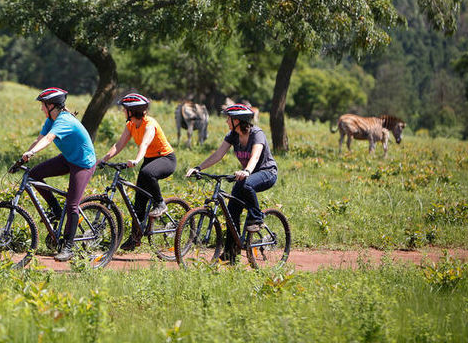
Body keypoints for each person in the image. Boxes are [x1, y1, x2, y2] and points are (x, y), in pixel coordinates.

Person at [185, 103, 277, 256]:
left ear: (238, 121)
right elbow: (218, 154)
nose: (226, 121)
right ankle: (230, 254)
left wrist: (246, 171)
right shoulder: (232, 136)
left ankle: (257, 218)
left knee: (246, 184)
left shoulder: (256, 134)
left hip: (267, 172)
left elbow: (255, 156)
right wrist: (199, 167)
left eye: (229, 118)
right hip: (246, 175)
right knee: (232, 211)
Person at [21, 87, 97, 262]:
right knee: (34, 175)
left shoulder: (64, 121)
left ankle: (69, 247)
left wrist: (32, 154)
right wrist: (24, 155)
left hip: (83, 164)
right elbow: (40, 138)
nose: (41, 108)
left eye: (43, 105)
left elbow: (49, 139)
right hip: (68, 158)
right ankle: (56, 210)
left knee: (72, 205)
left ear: (52, 105)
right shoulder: (51, 118)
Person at [101, 92, 176, 250]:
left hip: (166, 159)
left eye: (124, 109)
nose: (123, 112)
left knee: (147, 173)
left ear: (131, 111)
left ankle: (160, 203)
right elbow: (119, 144)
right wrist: (103, 159)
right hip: (149, 160)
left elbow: (145, 144)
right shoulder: (130, 125)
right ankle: (135, 238)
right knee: (139, 202)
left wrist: (136, 160)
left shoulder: (150, 124)